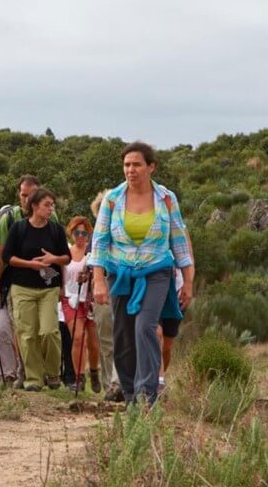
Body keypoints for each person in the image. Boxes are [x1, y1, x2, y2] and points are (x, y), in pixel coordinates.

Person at [90, 141, 194, 406]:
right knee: (123, 332)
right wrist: (99, 280)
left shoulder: (166, 198)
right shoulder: (112, 199)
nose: (131, 170)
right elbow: (100, 242)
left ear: (151, 167)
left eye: (137, 164)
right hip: (120, 273)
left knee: (145, 327)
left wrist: (189, 280)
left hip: (156, 271)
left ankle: (148, 392)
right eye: (126, 164)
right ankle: (130, 394)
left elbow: (179, 239)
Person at [0, 174, 61, 387]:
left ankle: (49, 374)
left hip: (47, 285)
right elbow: (2, 255)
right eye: (23, 195)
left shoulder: (53, 221)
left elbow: (61, 255)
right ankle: (28, 376)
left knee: (47, 331)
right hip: (17, 283)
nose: (26, 199)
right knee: (24, 332)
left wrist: (59, 277)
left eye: (31, 195)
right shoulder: (11, 221)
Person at [89, 189, 123, 402]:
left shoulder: (125, 230)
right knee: (106, 338)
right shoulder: (97, 235)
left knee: (124, 336)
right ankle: (110, 384)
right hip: (104, 286)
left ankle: (121, 382)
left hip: (124, 284)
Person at [61, 216, 101, 393]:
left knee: (93, 342)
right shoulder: (66, 253)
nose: (80, 236)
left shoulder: (92, 253)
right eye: (77, 232)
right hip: (71, 299)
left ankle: (93, 371)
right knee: (78, 338)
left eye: (84, 233)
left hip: (90, 301)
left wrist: (88, 276)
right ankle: (78, 377)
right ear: (71, 233)